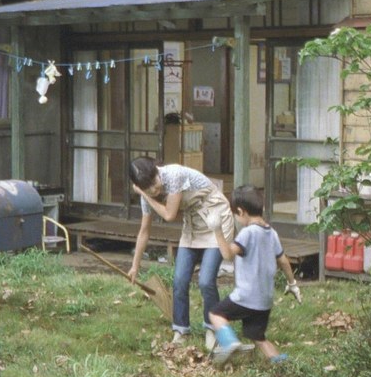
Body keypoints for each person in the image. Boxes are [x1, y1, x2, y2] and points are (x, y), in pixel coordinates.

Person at [128, 156, 234, 348]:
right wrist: (135, 266)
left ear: (157, 170)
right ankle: (181, 330)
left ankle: (212, 329)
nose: (153, 189)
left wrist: (145, 195)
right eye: (147, 188)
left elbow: (169, 215)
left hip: (216, 219)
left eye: (153, 182)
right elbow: (144, 231)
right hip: (193, 225)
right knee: (179, 280)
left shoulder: (173, 175)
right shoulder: (148, 195)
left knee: (206, 280)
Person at [201, 185, 302, 365]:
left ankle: (229, 342)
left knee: (215, 314)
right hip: (264, 300)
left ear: (241, 211)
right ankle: (282, 365)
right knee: (258, 337)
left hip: (246, 296)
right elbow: (283, 260)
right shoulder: (272, 233)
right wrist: (292, 283)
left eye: (236, 214)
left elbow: (228, 254)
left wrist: (217, 230)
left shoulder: (247, 233)